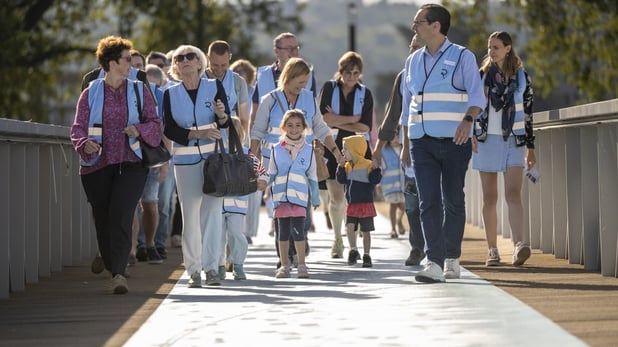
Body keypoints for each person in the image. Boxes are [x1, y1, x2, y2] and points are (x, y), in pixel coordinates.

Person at [400, 4, 485, 283]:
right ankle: (433, 261)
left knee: (453, 200)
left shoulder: (463, 57)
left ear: (436, 26)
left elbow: (477, 97)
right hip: (420, 140)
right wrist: (404, 141)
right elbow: (407, 105)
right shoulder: (412, 61)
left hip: (455, 140)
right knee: (427, 202)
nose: (414, 27)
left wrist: (468, 122)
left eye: (418, 22)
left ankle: (452, 257)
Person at [70, 35, 161, 294]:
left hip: (131, 163)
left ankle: (119, 273)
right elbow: (77, 127)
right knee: (103, 217)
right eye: (125, 59)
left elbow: (155, 123)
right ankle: (112, 263)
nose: (131, 62)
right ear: (111, 62)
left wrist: (139, 129)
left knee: (122, 213)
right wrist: (83, 142)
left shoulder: (138, 90)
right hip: (96, 165)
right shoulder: (90, 92)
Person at [250, 57, 342, 266]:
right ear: (288, 77)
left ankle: (300, 237)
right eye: (300, 81)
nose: (303, 86)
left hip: (303, 162)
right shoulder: (270, 100)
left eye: (306, 82)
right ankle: (285, 255)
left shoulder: (309, 98)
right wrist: (253, 158)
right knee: (280, 209)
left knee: (304, 207)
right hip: (276, 162)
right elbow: (257, 131)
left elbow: (320, 127)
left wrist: (335, 151)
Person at [162, 44, 231, 288]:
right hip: (184, 162)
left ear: (200, 63)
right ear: (176, 66)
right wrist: (196, 133)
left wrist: (221, 115)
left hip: (213, 162)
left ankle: (212, 268)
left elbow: (226, 122)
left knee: (212, 215)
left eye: (191, 56)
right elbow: (169, 129)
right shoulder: (170, 94)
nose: (185, 60)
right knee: (190, 216)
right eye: (180, 58)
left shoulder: (214, 86)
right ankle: (193, 270)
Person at [472, 31, 536, 267]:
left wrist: (531, 148)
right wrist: (472, 136)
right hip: (486, 141)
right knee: (490, 197)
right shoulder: (481, 77)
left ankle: (519, 245)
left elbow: (528, 115)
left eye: (497, 47)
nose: (492, 51)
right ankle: (492, 250)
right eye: (490, 47)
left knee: (513, 194)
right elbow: (473, 107)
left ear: (508, 48)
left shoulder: (522, 78)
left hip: (514, 141)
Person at [372, 34, 425, 266]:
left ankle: (443, 250)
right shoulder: (404, 76)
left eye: (417, 46)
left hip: (441, 146)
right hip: (411, 148)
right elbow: (393, 115)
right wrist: (377, 150)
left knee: (439, 201)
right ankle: (417, 247)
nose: (411, 50)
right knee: (412, 204)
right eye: (410, 45)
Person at [318, 51, 374, 259]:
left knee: (356, 196)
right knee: (337, 198)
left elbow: (365, 125)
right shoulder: (329, 88)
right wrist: (351, 119)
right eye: (348, 72)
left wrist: (337, 119)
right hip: (333, 148)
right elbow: (324, 119)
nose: (351, 77)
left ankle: (352, 234)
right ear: (341, 72)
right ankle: (337, 239)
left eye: (356, 73)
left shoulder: (365, 93)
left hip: (358, 152)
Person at [268, 109, 321, 278]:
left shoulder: (309, 150)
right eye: (290, 125)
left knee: (299, 232)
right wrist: (262, 184)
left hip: (299, 198)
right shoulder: (276, 149)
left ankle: (302, 264)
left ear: (304, 127)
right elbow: (272, 172)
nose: (294, 129)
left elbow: (312, 175)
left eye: (298, 125)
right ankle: (284, 265)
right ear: (283, 127)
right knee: (282, 233)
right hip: (281, 198)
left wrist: (315, 197)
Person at [219, 116, 269, 280]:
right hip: (217, 204)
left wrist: (262, 182)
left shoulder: (247, 155)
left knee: (236, 234)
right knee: (217, 236)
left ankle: (238, 264)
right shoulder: (216, 153)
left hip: (238, 206)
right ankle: (219, 265)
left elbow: (263, 173)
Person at [250, 32, 316, 125]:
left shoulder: (308, 75)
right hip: (270, 137)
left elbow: (314, 114)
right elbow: (254, 114)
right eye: (289, 48)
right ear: (276, 51)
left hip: (300, 137)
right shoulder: (263, 75)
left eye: (296, 48)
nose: (294, 52)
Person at [336, 135, 382, 268]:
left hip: (365, 204)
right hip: (351, 204)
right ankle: (353, 249)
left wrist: (376, 169)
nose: (343, 151)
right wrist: (340, 168)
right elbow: (341, 181)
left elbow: (375, 180)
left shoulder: (367, 164)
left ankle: (367, 254)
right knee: (349, 227)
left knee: (366, 231)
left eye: (345, 148)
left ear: (355, 150)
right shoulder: (347, 166)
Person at [230, 58, 261, 245]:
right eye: (237, 72)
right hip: (232, 138)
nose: (240, 75)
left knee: (253, 189)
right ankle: (236, 228)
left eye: (244, 72)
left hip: (250, 139)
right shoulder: (229, 92)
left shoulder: (253, 93)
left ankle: (248, 230)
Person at [205, 41, 250, 134]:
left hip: (230, 139)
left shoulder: (238, 82)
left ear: (230, 57)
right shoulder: (197, 79)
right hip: (204, 140)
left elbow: (244, 119)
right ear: (208, 58)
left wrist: (243, 144)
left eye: (223, 65)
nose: (219, 69)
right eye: (215, 65)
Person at [380, 128, 407, 239]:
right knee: (393, 205)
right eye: (392, 137)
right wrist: (378, 184)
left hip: (404, 184)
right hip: (389, 184)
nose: (395, 139)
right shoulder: (383, 151)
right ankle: (393, 229)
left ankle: (399, 221)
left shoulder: (404, 149)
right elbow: (381, 168)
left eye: (397, 136)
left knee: (403, 206)